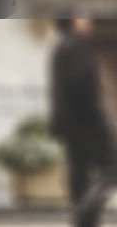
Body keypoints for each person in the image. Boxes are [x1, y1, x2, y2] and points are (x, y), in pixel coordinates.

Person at [49, 14, 116, 227]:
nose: (88, 21)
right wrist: (103, 123)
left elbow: (58, 92)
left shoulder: (58, 49)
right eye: (82, 18)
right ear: (73, 22)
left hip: (70, 125)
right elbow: (87, 90)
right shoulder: (79, 47)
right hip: (89, 122)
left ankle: (83, 221)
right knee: (112, 169)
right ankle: (85, 210)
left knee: (78, 173)